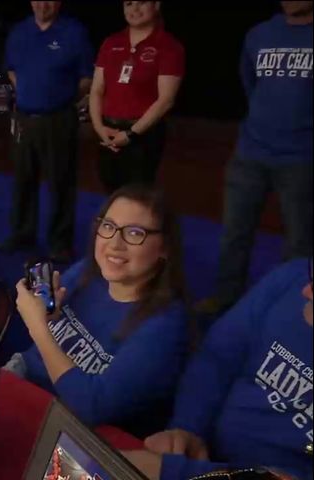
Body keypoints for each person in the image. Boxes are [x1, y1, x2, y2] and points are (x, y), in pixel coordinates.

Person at [4, 184, 190, 434]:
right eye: (108, 226)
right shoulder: (89, 270)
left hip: (71, 427)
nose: (114, 244)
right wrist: (47, 313)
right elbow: (42, 332)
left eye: (134, 233)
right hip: (25, 377)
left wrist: (38, 327)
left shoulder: (166, 326)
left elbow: (91, 406)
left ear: (165, 248)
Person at [123, 258, 313, 480]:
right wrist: (186, 430)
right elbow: (217, 358)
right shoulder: (292, 275)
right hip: (201, 453)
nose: (306, 291)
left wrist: (176, 472)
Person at [196, 2, 313, 317]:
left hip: (302, 158)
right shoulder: (259, 34)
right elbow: (250, 84)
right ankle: (225, 297)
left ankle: (288, 308)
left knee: (299, 243)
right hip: (251, 152)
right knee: (234, 233)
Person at [0, 1, 95, 263]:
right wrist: (29, 91)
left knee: (61, 182)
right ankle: (22, 233)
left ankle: (60, 243)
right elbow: (10, 68)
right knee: (23, 179)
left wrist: (57, 97)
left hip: (59, 118)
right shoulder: (19, 32)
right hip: (24, 117)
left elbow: (87, 77)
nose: (43, 4)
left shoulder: (74, 32)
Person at [89, 1, 185, 193]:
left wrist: (131, 134)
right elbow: (97, 89)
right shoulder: (111, 42)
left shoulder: (169, 46)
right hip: (108, 131)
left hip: (142, 135)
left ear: (156, 5)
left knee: (137, 197)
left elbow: (166, 100)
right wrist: (100, 128)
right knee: (110, 192)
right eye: (128, 4)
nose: (134, 10)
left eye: (141, 3)